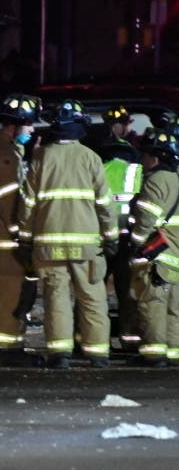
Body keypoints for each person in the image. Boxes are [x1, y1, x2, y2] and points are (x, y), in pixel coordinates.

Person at [17, 98, 116, 369]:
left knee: (55, 298)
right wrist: (111, 237)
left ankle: (60, 354)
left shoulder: (41, 158)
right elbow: (105, 205)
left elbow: (28, 205)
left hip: (49, 247)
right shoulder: (91, 159)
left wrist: (25, 239)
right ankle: (98, 354)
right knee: (92, 298)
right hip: (87, 247)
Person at [0, 93, 44, 367]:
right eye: (28, 125)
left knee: (17, 294)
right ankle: (5, 350)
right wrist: (22, 234)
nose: (31, 130)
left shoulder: (8, 152)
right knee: (10, 295)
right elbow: (9, 203)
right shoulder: (6, 157)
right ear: (14, 126)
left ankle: (10, 346)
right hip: (8, 243)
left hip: (6, 241)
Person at [127, 128, 179, 367]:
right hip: (176, 254)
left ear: (155, 158)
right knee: (174, 309)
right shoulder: (177, 179)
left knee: (153, 304)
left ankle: (154, 354)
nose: (143, 160)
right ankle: (174, 352)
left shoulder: (155, 181)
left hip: (158, 255)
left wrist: (136, 244)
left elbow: (146, 219)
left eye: (145, 155)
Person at [98, 114, 143, 351]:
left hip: (101, 240)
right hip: (128, 240)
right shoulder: (136, 171)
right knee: (128, 293)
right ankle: (130, 341)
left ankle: (90, 340)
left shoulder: (97, 170)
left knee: (95, 292)